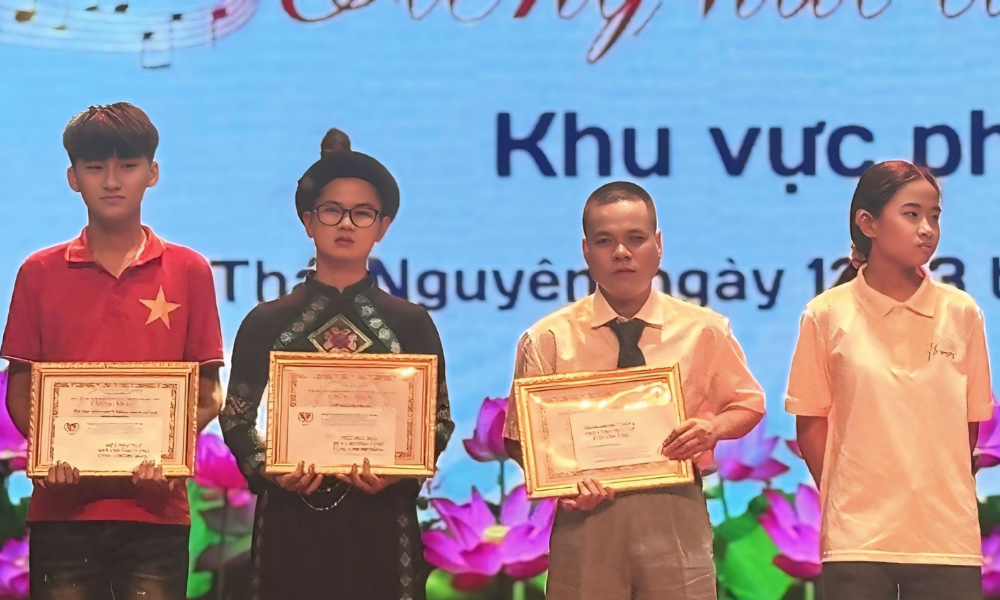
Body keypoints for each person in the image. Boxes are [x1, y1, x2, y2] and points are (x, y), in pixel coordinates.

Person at [1, 102, 224, 600]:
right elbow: (20, 388)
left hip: (156, 510)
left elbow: (208, 392)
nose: (112, 180)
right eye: (95, 167)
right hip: (62, 510)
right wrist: (49, 449)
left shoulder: (189, 271)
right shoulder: (38, 272)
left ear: (153, 173)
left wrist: (167, 453)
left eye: (128, 165)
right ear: (73, 178)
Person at [219, 128, 454, 600]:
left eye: (362, 213)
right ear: (309, 221)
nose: (346, 224)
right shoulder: (267, 322)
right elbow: (237, 416)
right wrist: (269, 468)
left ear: (382, 227)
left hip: (382, 521)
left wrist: (398, 470)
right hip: (289, 518)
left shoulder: (410, 323)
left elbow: (439, 418)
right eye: (331, 211)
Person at [502, 181, 765, 600]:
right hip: (587, 522)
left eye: (635, 238)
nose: (621, 252)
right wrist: (562, 485)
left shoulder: (705, 330)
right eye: (605, 241)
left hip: (676, 514)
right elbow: (520, 438)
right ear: (586, 251)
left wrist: (712, 428)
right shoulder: (547, 339)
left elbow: (748, 404)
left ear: (658, 245)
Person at [787, 160, 991, 600]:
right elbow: (811, 424)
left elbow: (969, 427)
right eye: (912, 214)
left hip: (946, 539)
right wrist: (846, 498)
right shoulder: (825, 314)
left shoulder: (962, 313)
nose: (927, 229)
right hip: (857, 541)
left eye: (934, 216)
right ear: (868, 223)